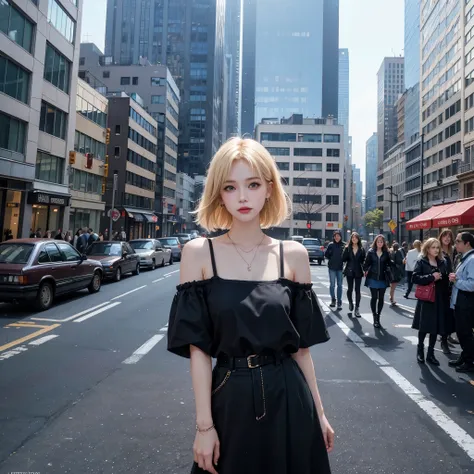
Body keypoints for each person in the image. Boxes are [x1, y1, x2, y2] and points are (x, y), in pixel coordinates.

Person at [167, 138, 334, 474]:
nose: (242, 197)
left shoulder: (294, 255)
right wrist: (204, 426)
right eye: (230, 187)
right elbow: (199, 350)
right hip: (230, 393)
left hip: (290, 396)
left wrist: (319, 411)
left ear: (269, 189)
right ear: (218, 193)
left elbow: (301, 351)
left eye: (253, 184)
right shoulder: (199, 253)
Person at [411, 238, 451, 366]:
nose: (436, 250)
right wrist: (431, 277)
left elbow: (445, 281)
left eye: (437, 247)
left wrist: (448, 278)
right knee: (424, 327)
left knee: (435, 328)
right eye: (433, 247)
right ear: (427, 249)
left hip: (439, 298)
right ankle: (420, 350)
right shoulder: (421, 261)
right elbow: (415, 278)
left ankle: (430, 354)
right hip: (426, 299)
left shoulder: (443, 262)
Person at [448, 232, 474, 373]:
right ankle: (465, 356)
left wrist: (456, 280)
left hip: (466, 303)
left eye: (458, 241)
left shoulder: (472, 260)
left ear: (467, 243)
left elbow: (472, 284)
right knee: (462, 332)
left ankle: (469, 361)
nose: (455, 244)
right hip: (460, 302)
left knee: (465, 333)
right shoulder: (464, 258)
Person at [363, 234, 392, 328]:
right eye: (378, 241)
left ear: (384, 243)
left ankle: (378, 316)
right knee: (374, 297)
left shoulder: (386, 253)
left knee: (381, 298)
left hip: (383, 278)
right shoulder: (371, 252)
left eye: (381, 241)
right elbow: (366, 264)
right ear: (376, 242)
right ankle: (374, 316)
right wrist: (365, 269)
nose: (380, 243)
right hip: (373, 278)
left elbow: (389, 263)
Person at [438, 229, 456, 353]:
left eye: (449, 236)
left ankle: (447, 335)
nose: (447, 238)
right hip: (441, 286)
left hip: (452, 286)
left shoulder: (453, 251)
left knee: (450, 313)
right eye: (445, 236)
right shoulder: (438, 251)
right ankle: (443, 340)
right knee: (444, 313)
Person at [342, 232, 365, 318]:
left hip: (358, 271)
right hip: (349, 271)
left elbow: (363, 260)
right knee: (350, 289)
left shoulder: (361, 249)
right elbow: (343, 258)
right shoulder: (348, 248)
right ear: (351, 239)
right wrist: (346, 251)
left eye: (356, 237)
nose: (354, 239)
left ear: (358, 239)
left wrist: (366, 269)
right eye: (353, 238)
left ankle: (357, 308)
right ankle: (350, 302)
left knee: (357, 290)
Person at [325, 230, 344, 310]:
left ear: (340, 237)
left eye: (338, 236)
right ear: (333, 237)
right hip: (332, 268)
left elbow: (346, 256)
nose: (337, 237)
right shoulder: (330, 245)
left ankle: (339, 301)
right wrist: (331, 259)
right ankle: (333, 299)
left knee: (340, 285)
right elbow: (326, 255)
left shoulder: (344, 245)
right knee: (332, 285)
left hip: (340, 268)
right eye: (335, 236)